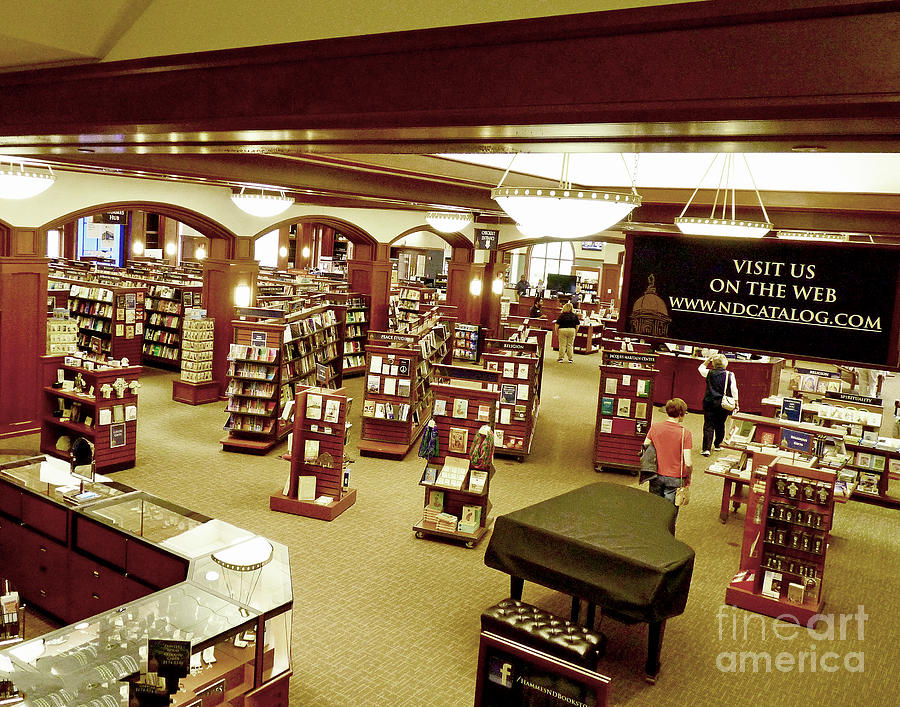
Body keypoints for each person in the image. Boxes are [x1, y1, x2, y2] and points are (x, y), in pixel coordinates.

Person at [643, 398, 693, 508]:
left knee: (654, 507)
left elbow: (645, 446)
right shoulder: (685, 434)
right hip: (675, 478)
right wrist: (688, 479)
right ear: (680, 414)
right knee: (669, 511)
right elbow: (688, 463)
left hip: (655, 474)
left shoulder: (655, 427)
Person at [699, 353, 739, 456]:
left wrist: (708, 359)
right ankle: (718, 444)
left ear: (713, 364)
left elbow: (700, 368)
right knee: (720, 424)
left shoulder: (708, 372)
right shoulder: (730, 374)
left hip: (709, 402)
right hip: (723, 403)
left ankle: (706, 449)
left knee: (708, 425)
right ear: (726, 363)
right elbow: (734, 389)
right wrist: (736, 401)